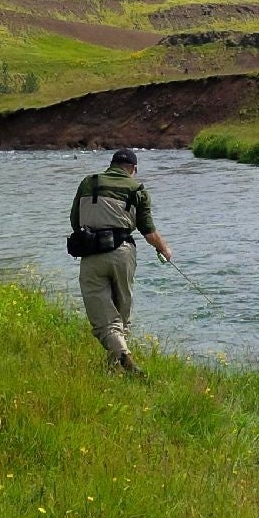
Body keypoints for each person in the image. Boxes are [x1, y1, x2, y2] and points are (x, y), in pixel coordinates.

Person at [70, 148, 173, 375]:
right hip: (123, 253)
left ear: (112, 164)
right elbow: (148, 232)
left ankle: (121, 359)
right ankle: (120, 361)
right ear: (133, 169)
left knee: (102, 316)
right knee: (121, 310)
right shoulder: (137, 189)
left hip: (92, 253)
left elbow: (74, 220)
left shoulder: (89, 182)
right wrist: (164, 250)